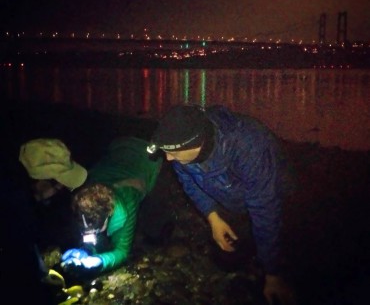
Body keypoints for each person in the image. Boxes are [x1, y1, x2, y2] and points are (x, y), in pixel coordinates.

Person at [147, 104, 296, 305]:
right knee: (227, 259)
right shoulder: (180, 144)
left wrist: (272, 274)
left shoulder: (248, 147)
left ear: (197, 144)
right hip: (230, 197)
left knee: (284, 244)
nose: (168, 158)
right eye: (165, 151)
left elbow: (265, 209)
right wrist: (213, 217)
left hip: (273, 192)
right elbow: (189, 183)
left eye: (173, 153)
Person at [54, 136, 169, 276]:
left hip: (148, 155)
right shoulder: (81, 193)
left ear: (109, 213)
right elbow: (88, 227)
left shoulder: (127, 201)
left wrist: (101, 261)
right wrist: (86, 249)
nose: (90, 233)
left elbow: (122, 251)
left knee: (154, 225)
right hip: (120, 143)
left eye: (95, 230)